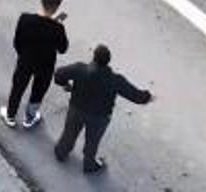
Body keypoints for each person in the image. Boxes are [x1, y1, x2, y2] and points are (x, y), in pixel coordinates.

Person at [53, 44, 154, 175]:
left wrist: (66, 85)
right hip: (99, 117)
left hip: (76, 109)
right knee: (92, 142)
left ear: (94, 57)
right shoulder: (115, 80)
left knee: (69, 133)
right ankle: (89, 165)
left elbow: (59, 74)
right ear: (108, 61)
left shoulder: (80, 68)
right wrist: (148, 97)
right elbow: (136, 96)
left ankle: (61, 152)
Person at [1, 0, 68, 130]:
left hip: (25, 61)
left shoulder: (25, 19)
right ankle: (30, 118)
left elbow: (17, 42)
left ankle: (10, 115)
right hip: (45, 66)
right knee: (38, 92)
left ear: (41, 2)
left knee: (17, 88)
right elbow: (63, 49)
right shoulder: (57, 28)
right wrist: (57, 22)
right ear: (56, 8)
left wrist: (23, 55)